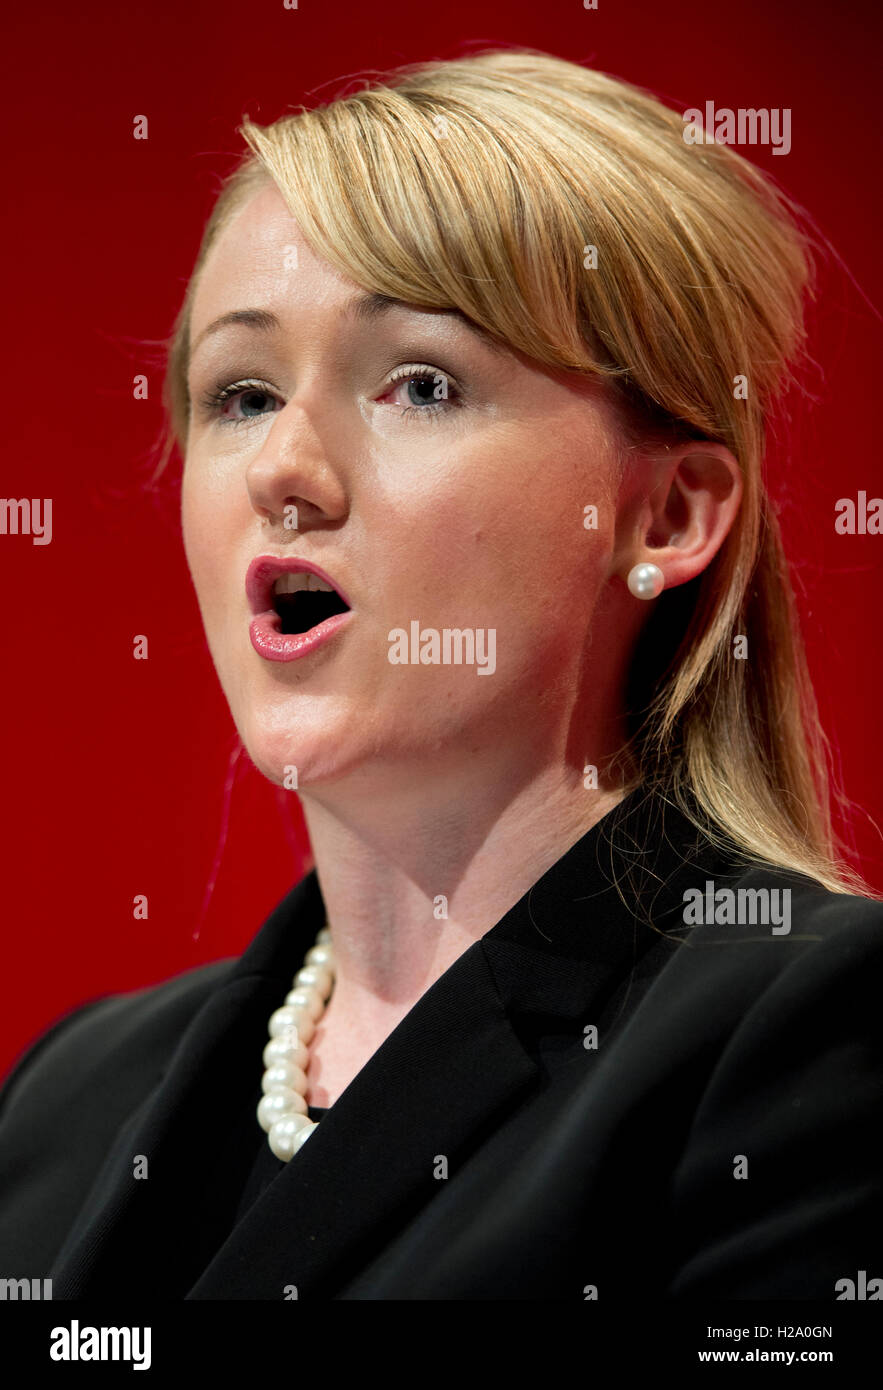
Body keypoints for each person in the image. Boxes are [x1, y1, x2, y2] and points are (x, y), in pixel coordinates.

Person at [1, 47, 880, 1301]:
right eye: (241, 393)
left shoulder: (802, 1038)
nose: (282, 471)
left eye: (420, 383)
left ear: (667, 517)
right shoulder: (67, 1097)